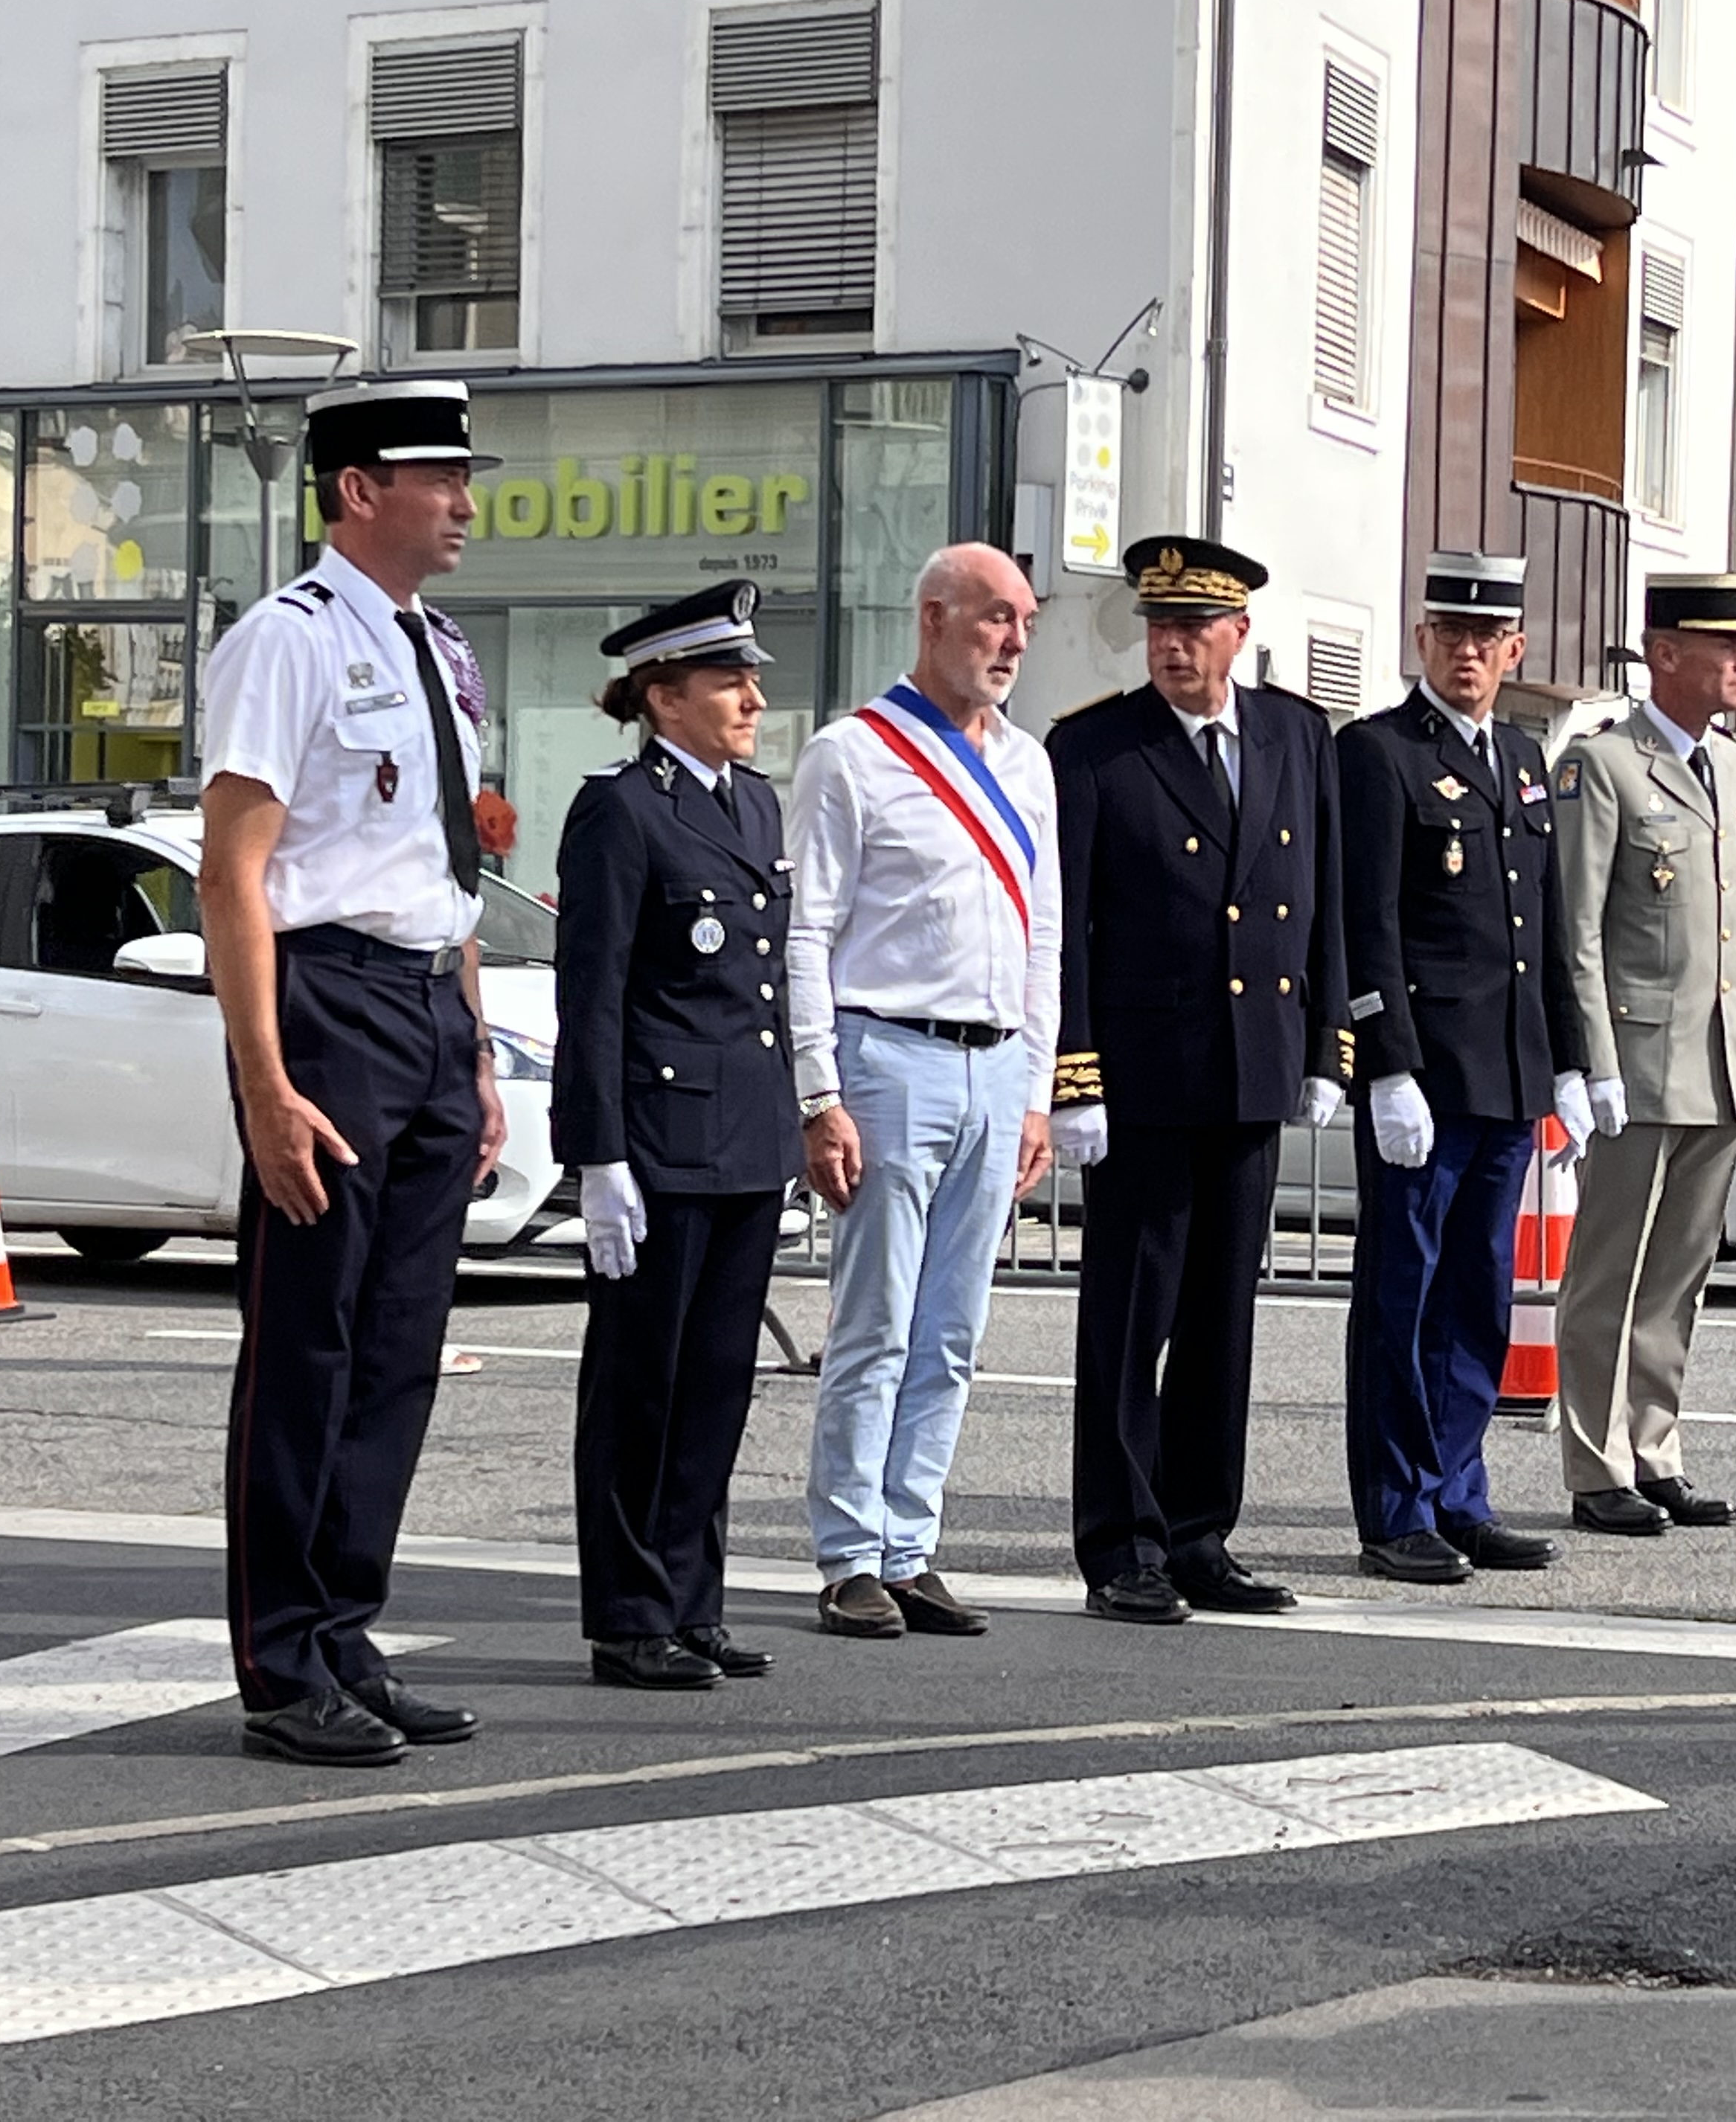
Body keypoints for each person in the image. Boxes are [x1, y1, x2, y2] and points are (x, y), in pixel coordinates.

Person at [197, 380, 507, 1766]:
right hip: (328, 1009)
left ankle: (346, 1630)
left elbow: (449, 869)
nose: (462, 500)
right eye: (435, 476)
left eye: (463, 475)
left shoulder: (438, 649)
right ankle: (280, 1662)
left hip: (429, 1009)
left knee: (396, 1354)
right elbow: (234, 873)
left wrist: (479, 1050)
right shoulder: (290, 639)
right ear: (355, 491)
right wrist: (264, 1084)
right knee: (307, 1343)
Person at [1048, 535, 1351, 1624]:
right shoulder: (1093, 748)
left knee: (1224, 1316)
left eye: (1195, 627)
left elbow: (1324, 901)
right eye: (1160, 627)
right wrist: (1074, 1074)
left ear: (1240, 633)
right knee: (1132, 1320)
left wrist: (1329, 1044)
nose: (1174, 647)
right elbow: (1067, 928)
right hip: (1143, 1074)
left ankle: (1198, 1533)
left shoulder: (1294, 736)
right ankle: (1121, 1543)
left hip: (1253, 1067)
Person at [787, 543, 1059, 1640]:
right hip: (888, 1054)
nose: (1012, 643)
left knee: (953, 1325)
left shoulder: (1029, 767)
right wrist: (818, 1090)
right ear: (936, 616)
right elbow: (805, 930)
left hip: (996, 1062)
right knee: (877, 1320)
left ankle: (911, 1542)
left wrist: (1038, 1085)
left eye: (1026, 625)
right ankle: (849, 1548)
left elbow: (1042, 938)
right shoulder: (851, 755)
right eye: (995, 619)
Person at [553, 580, 801, 1691]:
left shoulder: (755, 803)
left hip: (742, 1140)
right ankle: (627, 1612)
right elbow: (593, 993)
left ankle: (692, 1598)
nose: (752, 697)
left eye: (749, 679)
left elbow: (764, 993)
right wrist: (595, 1155)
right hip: (658, 1144)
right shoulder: (623, 808)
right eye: (728, 680)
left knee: (716, 1384)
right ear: (663, 694)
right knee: (640, 1387)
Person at [1336, 552, 1591, 1584]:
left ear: (1515, 650)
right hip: (1428, 1082)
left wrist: (1569, 1059)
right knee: (1404, 1293)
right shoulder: (1379, 753)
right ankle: (1396, 1506)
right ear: (1422, 642)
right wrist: (1386, 1064)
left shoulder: (1524, 758)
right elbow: (1370, 922)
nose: (1468, 652)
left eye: (1487, 638)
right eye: (1450, 634)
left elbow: (1549, 926)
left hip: (1507, 1076)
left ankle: (1458, 1489)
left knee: (1480, 1295)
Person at [1549, 573, 1736, 1538]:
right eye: (1725, 647)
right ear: (1666, 655)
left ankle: (1656, 1448)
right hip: (1639, 1066)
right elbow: (1579, 930)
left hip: (1720, 1063)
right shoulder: (1603, 766)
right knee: (1608, 1271)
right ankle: (1596, 1465)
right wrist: (1592, 1061)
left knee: (1681, 1275)